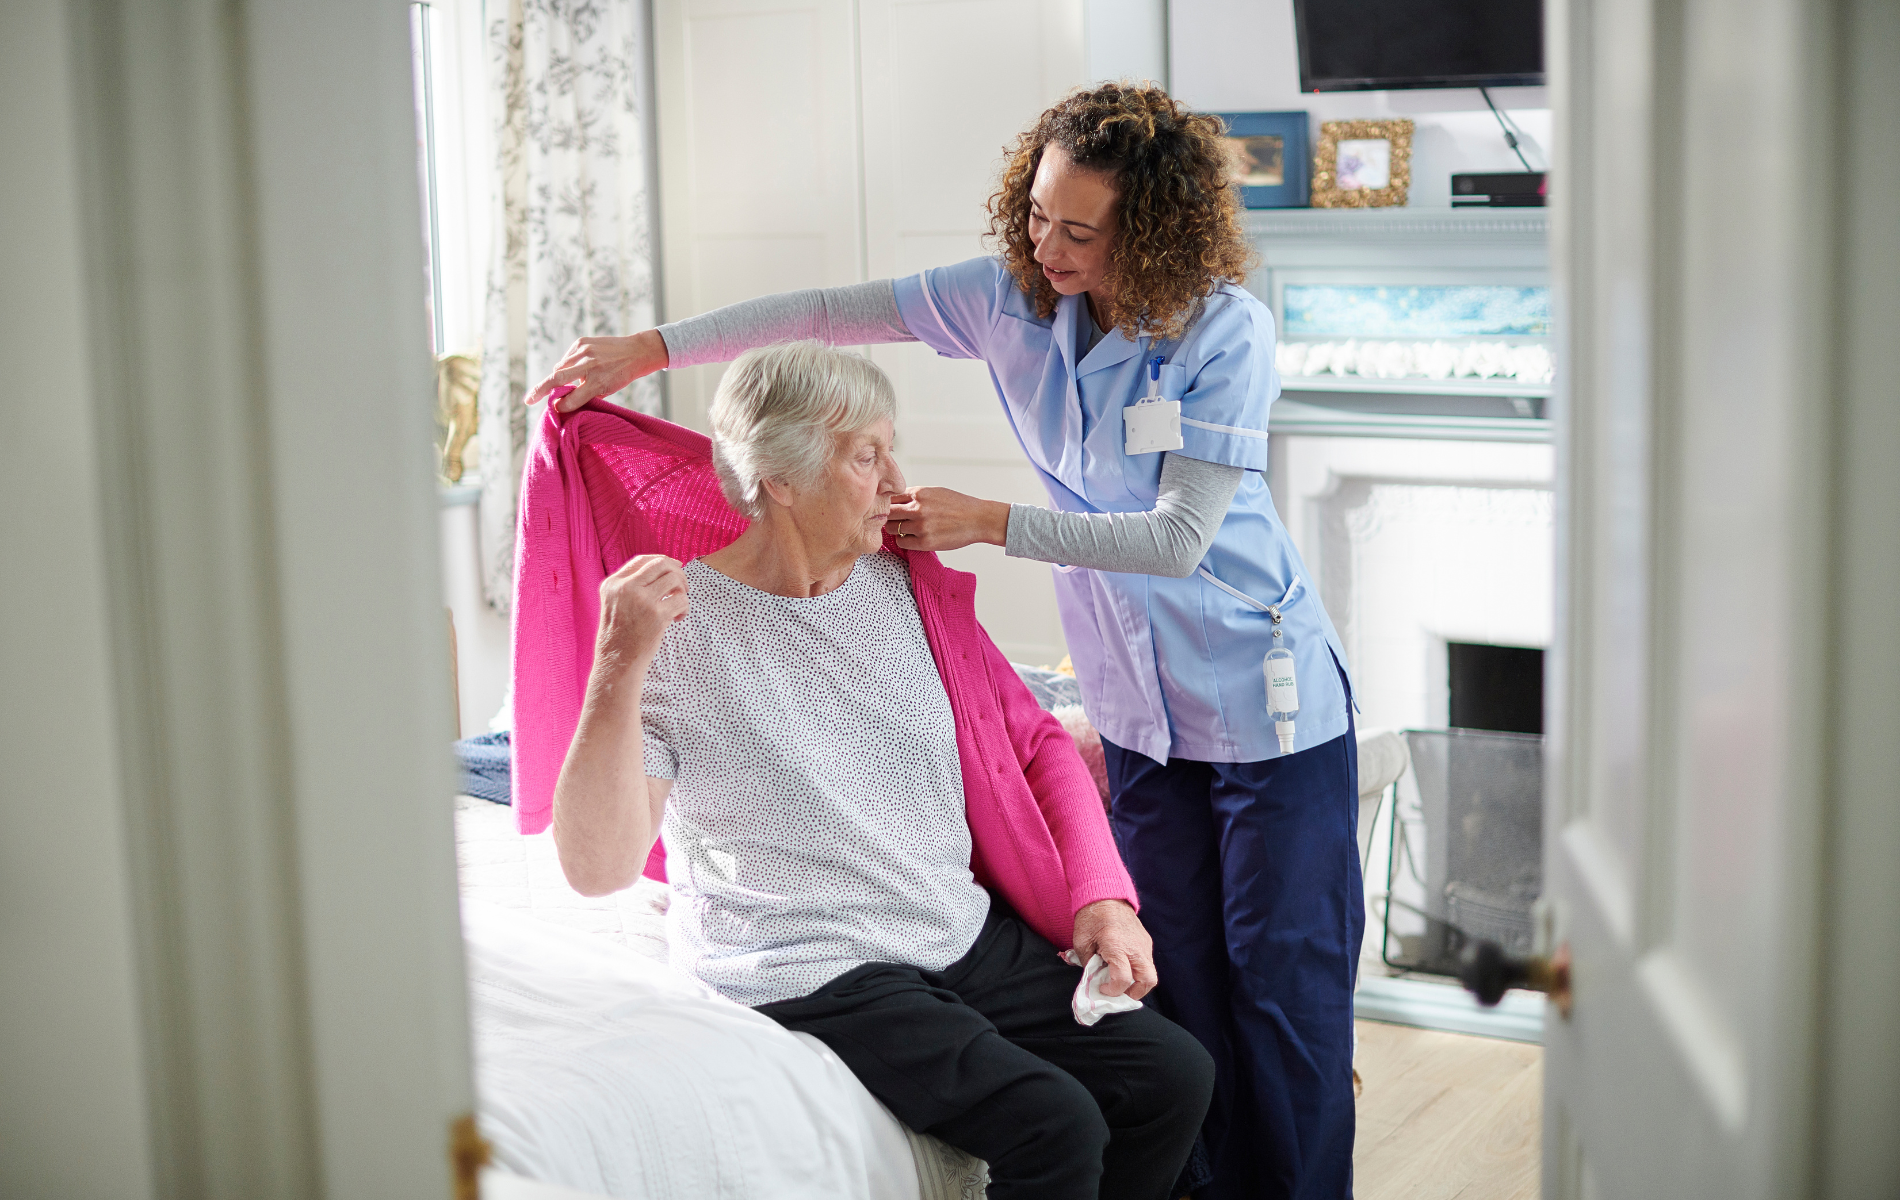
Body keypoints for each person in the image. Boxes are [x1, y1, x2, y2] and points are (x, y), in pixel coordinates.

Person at [531, 83, 1361, 1200]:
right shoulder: (1007, 301)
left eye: (1080, 230)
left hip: (1263, 700)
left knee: (1284, 1002)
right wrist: (651, 345)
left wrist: (988, 522)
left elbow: (1178, 539)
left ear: (1149, 229)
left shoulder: (1221, 330)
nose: (1045, 245)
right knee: (1188, 1003)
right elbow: (824, 312)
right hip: (1135, 705)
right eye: (1035, 215)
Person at [550, 341, 1214, 1200]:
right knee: (1056, 1124)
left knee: (1172, 1076)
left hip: (948, 927)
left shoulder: (907, 586)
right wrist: (616, 661)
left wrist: (1103, 897)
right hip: (808, 958)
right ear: (780, 478)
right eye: (867, 455)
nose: (897, 476)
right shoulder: (677, 630)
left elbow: (1036, 741)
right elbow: (596, 868)